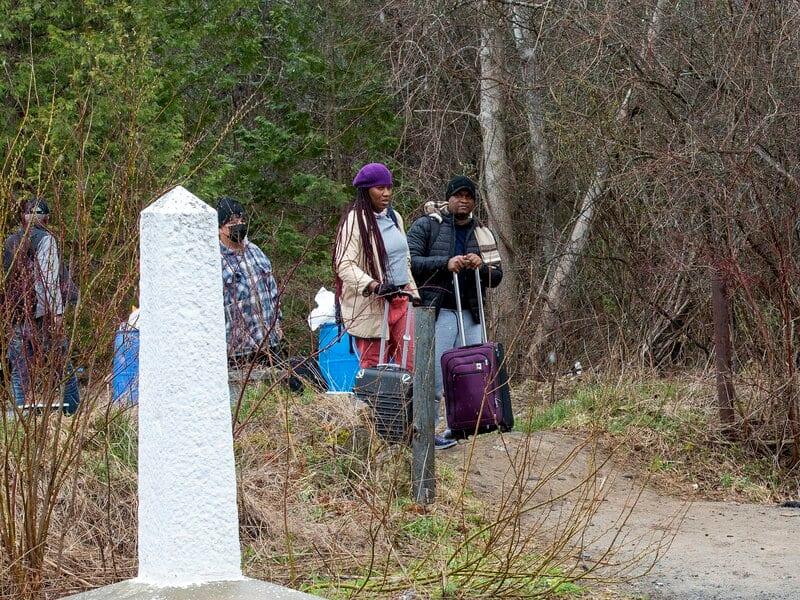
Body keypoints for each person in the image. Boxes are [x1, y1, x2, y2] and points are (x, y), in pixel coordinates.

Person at [407, 176, 503, 448]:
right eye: (458, 195)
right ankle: (426, 432)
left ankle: (463, 425)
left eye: (468, 196)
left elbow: (497, 276)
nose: (463, 200)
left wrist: (480, 266)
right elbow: (411, 262)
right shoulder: (427, 226)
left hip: (471, 312)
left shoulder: (481, 232)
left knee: (472, 372)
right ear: (448, 198)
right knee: (435, 374)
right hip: (438, 310)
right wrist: (445, 263)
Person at [333, 162, 419, 371]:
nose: (386, 193)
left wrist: (412, 291)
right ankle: (373, 404)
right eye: (380, 188)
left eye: (389, 187)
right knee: (373, 365)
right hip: (372, 302)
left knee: (408, 362)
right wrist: (373, 285)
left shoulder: (394, 217)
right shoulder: (355, 221)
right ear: (366, 190)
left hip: (401, 297)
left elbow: (403, 258)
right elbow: (344, 264)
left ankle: (404, 403)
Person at [2, 196, 80, 413]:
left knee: (19, 370)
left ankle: (20, 418)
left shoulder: (10, 241)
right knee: (63, 365)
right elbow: (48, 280)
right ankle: (71, 414)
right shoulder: (46, 240)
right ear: (47, 218)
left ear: (23, 218)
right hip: (42, 315)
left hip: (16, 313)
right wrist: (57, 314)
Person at [217, 197, 283, 366]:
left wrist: (278, 324)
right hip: (237, 352)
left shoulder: (255, 251)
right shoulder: (215, 260)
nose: (238, 224)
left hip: (270, 345)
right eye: (231, 222)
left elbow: (273, 292)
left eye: (241, 219)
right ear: (219, 228)